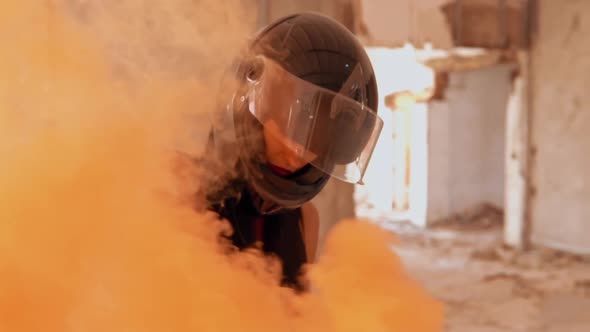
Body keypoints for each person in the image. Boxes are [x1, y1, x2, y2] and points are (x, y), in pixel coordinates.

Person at [199, 12, 383, 291]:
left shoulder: (305, 220)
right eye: (287, 123)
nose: (299, 152)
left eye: (320, 140)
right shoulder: (180, 186)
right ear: (248, 106)